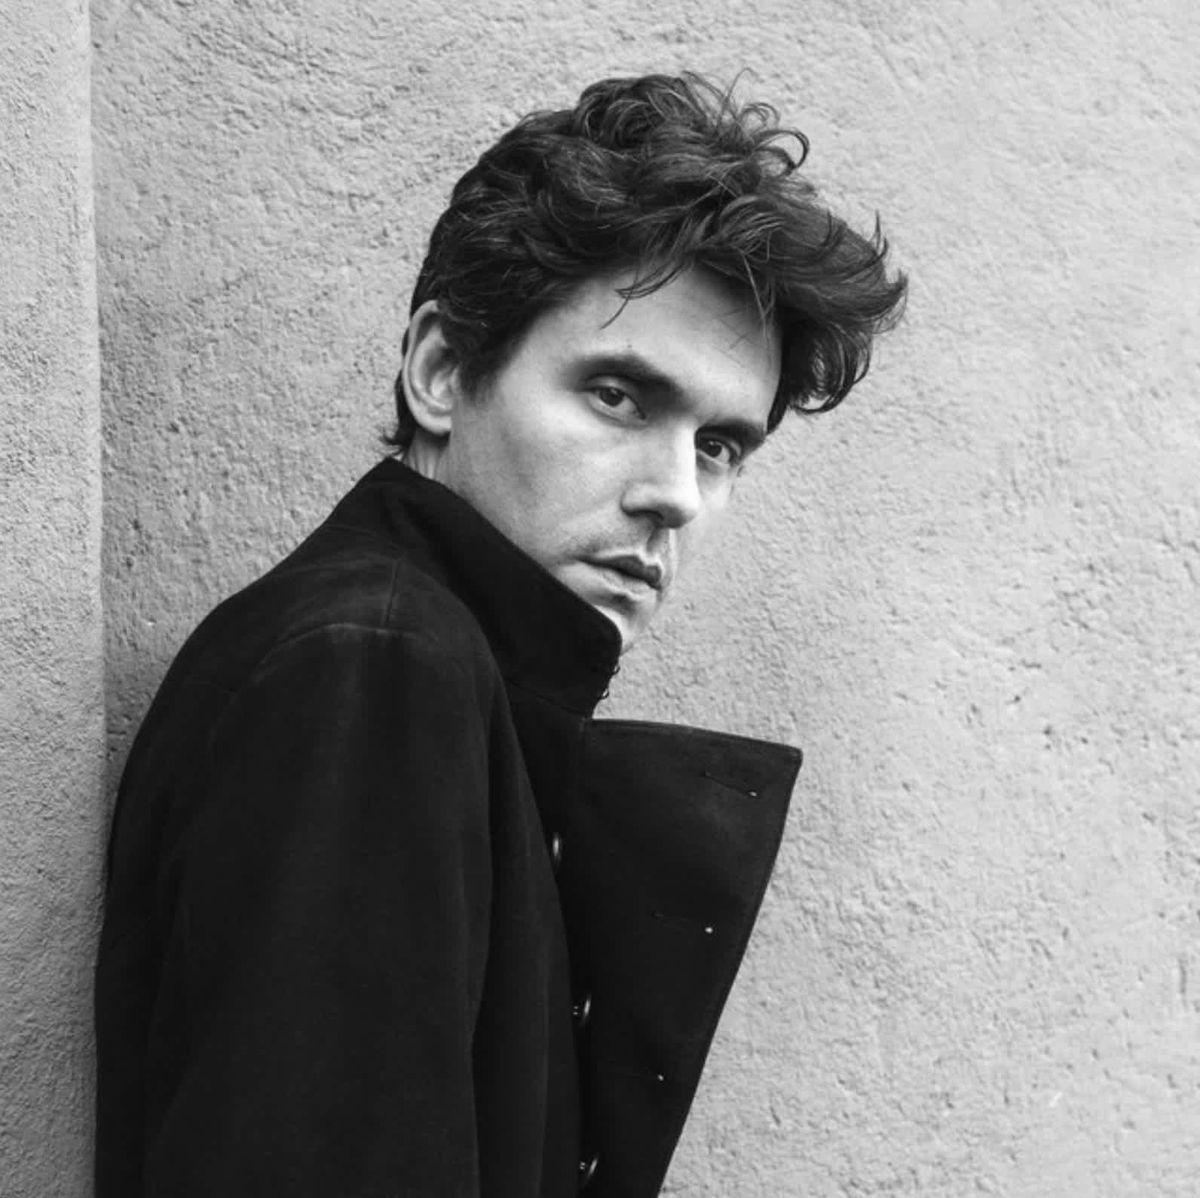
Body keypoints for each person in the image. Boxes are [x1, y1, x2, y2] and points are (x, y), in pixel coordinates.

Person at [94, 72, 906, 1197]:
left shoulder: (439, 686)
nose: (676, 494)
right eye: (619, 396)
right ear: (440, 371)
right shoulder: (376, 670)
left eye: (719, 446)